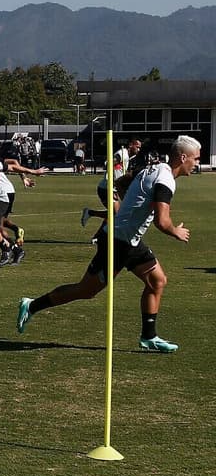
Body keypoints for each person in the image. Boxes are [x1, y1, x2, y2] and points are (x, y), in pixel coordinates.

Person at [18, 135, 200, 352]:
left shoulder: (155, 168)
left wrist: (129, 208)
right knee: (85, 291)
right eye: (196, 159)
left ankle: (149, 337)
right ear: (183, 157)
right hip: (116, 242)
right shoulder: (166, 180)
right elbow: (163, 221)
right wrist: (175, 231)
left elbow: (123, 182)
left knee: (157, 281)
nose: (197, 163)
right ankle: (31, 305)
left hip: (130, 241)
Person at [81, 138, 143, 231]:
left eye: (139, 148)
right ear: (131, 145)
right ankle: (92, 217)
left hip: (114, 188)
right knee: (116, 213)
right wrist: (112, 164)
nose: (138, 150)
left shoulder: (129, 157)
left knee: (115, 214)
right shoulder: (123, 153)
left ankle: (97, 230)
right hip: (106, 188)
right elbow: (110, 162)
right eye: (137, 147)